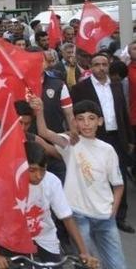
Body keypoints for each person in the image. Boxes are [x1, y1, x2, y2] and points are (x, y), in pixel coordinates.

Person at [33, 97, 126, 269]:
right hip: (78, 215)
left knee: (118, 264)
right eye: (81, 119)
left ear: (100, 121)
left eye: (91, 118)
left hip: (105, 216)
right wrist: (39, 111)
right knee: (86, 264)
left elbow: (118, 185)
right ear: (74, 122)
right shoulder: (70, 143)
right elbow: (44, 132)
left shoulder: (108, 150)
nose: (86, 124)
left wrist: (113, 211)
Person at [0, 141, 98, 269]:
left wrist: (84, 252)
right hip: (12, 242)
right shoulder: (4, 182)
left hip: (46, 239)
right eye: (32, 170)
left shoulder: (52, 182)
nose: (38, 176)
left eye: (43, 170)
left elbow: (67, 218)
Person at [69, 52, 134, 232]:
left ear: (109, 65)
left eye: (104, 64)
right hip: (95, 136)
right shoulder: (81, 88)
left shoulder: (117, 86)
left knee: (119, 176)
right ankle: (94, 212)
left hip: (117, 138)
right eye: (96, 64)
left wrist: (129, 138)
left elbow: (123, 113)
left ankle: (119, 216)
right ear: (91, 67)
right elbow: (75, 115)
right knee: (95, 175)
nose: (101, 68)